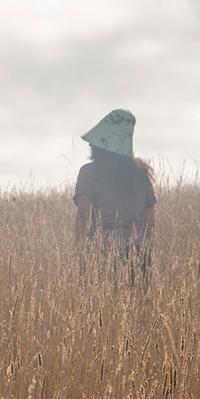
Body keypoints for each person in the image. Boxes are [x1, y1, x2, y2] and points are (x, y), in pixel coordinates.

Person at [72, 109, 156, 278]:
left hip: (101, 254)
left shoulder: (89, 173)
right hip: (139, 257)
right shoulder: (141, 176)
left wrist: (77, 256)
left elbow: (83, 217)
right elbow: (150, 224)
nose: (90, 145)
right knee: (138, 303)